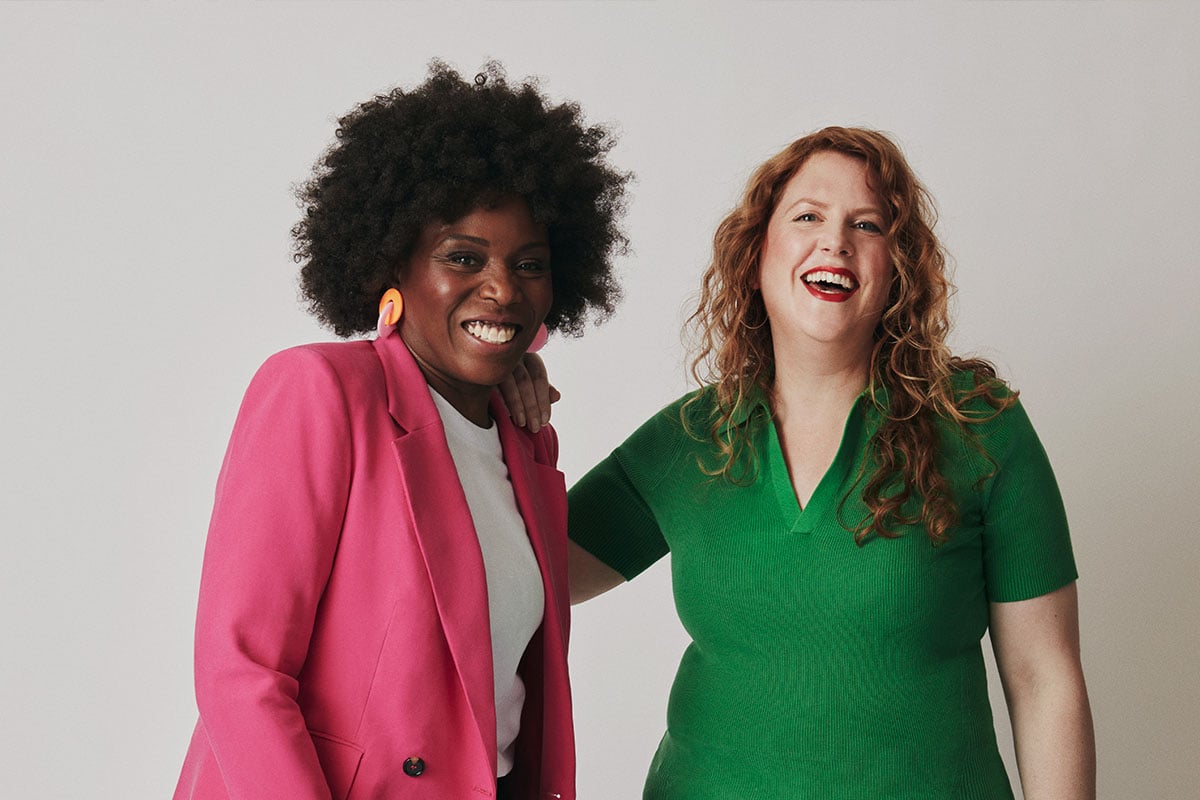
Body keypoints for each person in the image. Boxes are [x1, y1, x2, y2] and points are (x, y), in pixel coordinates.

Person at [561, 127, 1095, 798]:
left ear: (897, 266)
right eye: (808, 216)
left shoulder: (978, 424)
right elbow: (518, 576)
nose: (835, 241)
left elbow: (1045, 677)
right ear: (757, 253)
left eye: (867, 225)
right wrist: (483, 396)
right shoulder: (687, 439)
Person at [173, 62, 629, 800]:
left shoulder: (523, 434)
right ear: (394, 262)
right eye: (463, 258)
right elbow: (241, 671)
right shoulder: (322, 393)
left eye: (529, 265)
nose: (503, 288)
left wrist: (515, 356)